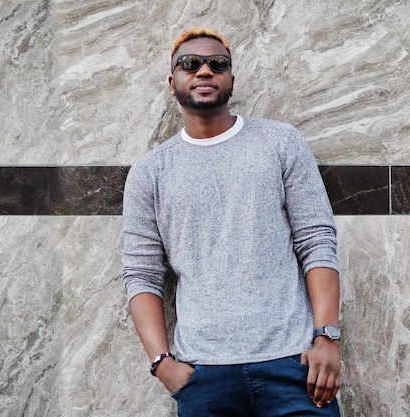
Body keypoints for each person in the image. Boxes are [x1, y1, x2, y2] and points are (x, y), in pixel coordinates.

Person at [122, 27, 342, 417]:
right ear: (172, 83)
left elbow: (316, 240)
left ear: (231, 79)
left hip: (294, 366)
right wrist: (162, 364)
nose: (204, 71)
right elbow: (141, 274)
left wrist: (327, 336)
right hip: (204, 377)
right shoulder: (150, 172)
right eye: (190, 64)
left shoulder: (280, 143)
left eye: (217, 64)